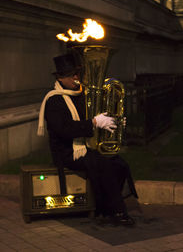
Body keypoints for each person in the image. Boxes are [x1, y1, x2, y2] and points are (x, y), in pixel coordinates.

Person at [37, 49, 138, 226]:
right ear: (60, 78)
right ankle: (117, 211)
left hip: (86, 146)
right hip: (67, 151)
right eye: (71, 75)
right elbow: (64, 130)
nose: (76, 77)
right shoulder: (53, 100)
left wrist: (113, 121)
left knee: (119, 164)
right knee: (102, 163)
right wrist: (93, 122)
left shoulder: (82, 94)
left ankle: (104, 206)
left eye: (77, 73)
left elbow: (96, 117)